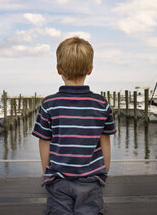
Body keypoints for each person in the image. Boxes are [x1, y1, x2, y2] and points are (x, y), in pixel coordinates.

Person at [32, 37, 116, 215]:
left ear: (58, 69)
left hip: (58, 180)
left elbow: (44, 142)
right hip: (91, 181)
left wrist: (46, 170)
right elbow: (105, 141)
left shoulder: (49, 104)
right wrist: (104, 171)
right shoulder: (101, 104)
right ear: (90, 69)